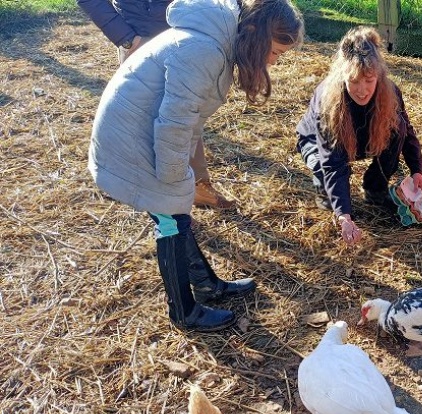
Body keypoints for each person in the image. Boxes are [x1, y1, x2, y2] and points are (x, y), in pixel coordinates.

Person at [87, 0, 304, 331]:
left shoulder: (216, 44)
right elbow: (174, 122)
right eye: (274, 52)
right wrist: (176, 180)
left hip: (142, 129)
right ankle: (183, 311)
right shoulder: (205, 50)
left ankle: (206, 285)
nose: (274, 61)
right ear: (254, 35)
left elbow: (191, 119)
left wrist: (180, 181)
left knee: (176, 214)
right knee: (172, 218)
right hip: (129, 137)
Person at [77, 0, 238, 209]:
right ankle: (160, 206)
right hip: (139, 40)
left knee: (184, 115)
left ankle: (195, 187)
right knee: (147, 126)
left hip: (184, 30)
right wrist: (126, 38)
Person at [296, 26, 422, 247]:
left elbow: (408, 133)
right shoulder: (327, 100)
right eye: (354, 81)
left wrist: (417, 170)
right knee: (328, 181)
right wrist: (344, 216)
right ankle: (326, 192)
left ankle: (374, 187)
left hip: (361, 139)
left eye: (369, 80)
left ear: (379, 75)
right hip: (317, 143)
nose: (362, 90)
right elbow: (332, 162)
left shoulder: (390, 92)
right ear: (343, 75)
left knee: (397, 129)